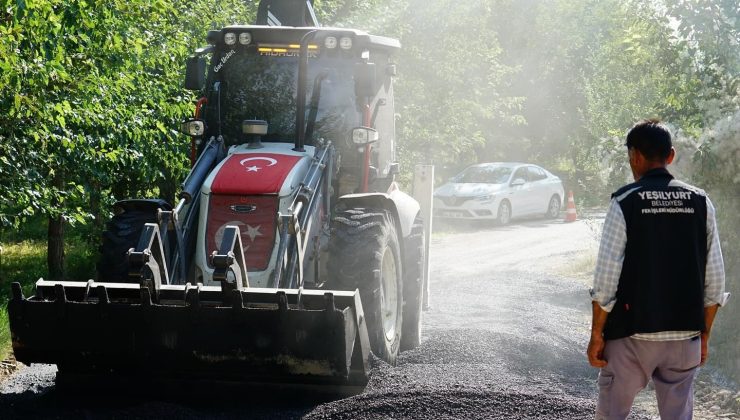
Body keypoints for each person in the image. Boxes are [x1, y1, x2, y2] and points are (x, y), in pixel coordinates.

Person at [587, 119, 729, 419]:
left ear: (634, 156)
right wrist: (704, 335)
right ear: (671, 155)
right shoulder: (701, 202)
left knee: (611, 413)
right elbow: (715, 282)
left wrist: (597, 334)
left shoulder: (625, 202)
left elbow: (606, 281)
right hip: (684, 336)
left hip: (631, 336)